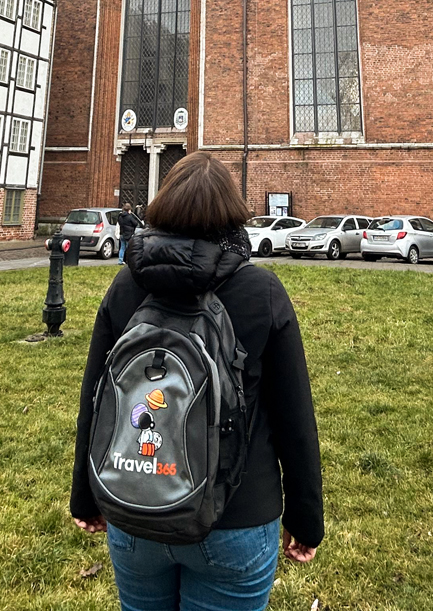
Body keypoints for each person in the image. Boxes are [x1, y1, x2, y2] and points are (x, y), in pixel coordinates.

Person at [72, 152, 323, 610]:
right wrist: (306, 520)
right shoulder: (261, 292)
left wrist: (85, 497)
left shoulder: (126, 286)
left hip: (136, 507)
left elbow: (96, 399)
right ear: (232, 214)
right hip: (237, 518)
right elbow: (295, 419)